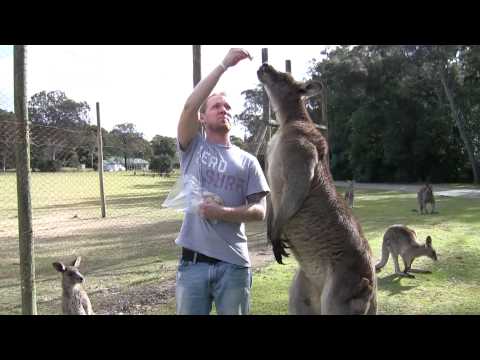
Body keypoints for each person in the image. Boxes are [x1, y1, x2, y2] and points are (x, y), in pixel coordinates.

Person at [175, 48, 270, 315]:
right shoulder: (192, 147)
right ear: (202, 118)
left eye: (227, 107)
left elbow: (260, 210)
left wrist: (222, 212)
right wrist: (224, 64)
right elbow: (190, 105)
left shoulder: (248, 161)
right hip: (192, 265)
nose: (224, 110)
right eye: (216, 106)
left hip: (235, 265)